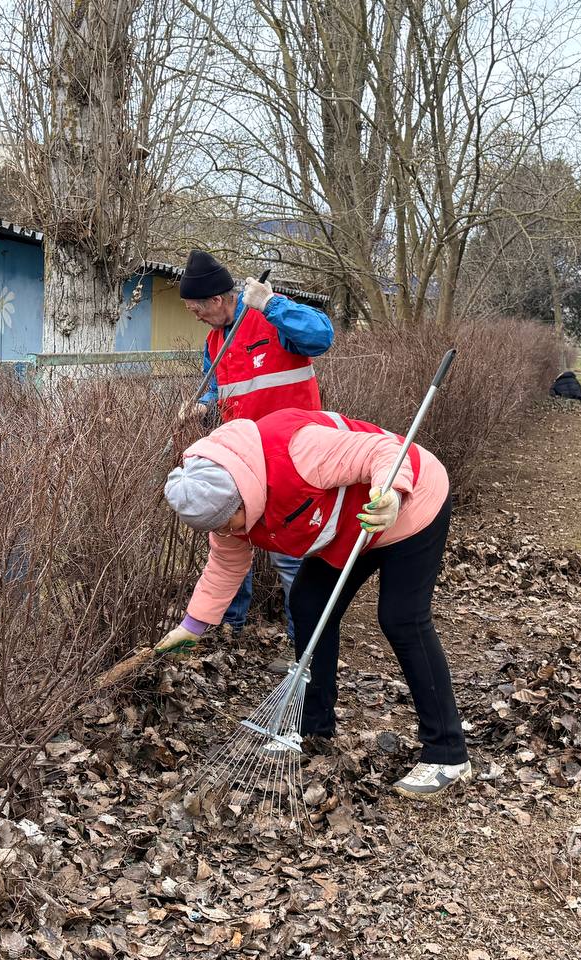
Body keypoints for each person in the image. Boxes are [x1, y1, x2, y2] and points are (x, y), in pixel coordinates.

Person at [158, 408, 472, 799]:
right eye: (216, 527)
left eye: (229, 521)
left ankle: (447, 753)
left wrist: (391, 494)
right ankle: (313, 725)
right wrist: (193, 624)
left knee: (401, 618)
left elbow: (383, 449)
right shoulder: (221, 502)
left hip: (409, 507)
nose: (226, 531)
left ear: (241, 495)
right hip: (350, 529)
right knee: (308, 602)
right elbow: (225, 563)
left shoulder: (299, 451)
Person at [176, 249, 334, 648]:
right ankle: (230, 627)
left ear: (216, 300)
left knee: (291, 558)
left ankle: (307, 651)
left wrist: (273, 303)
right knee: (230, 536)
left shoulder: (270, 319)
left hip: (293, 460)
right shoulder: (214, 341)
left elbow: (321, 336)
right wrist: (204, 402)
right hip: (243, 461)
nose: (193, 315)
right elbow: (218, 386)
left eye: (195, 307)